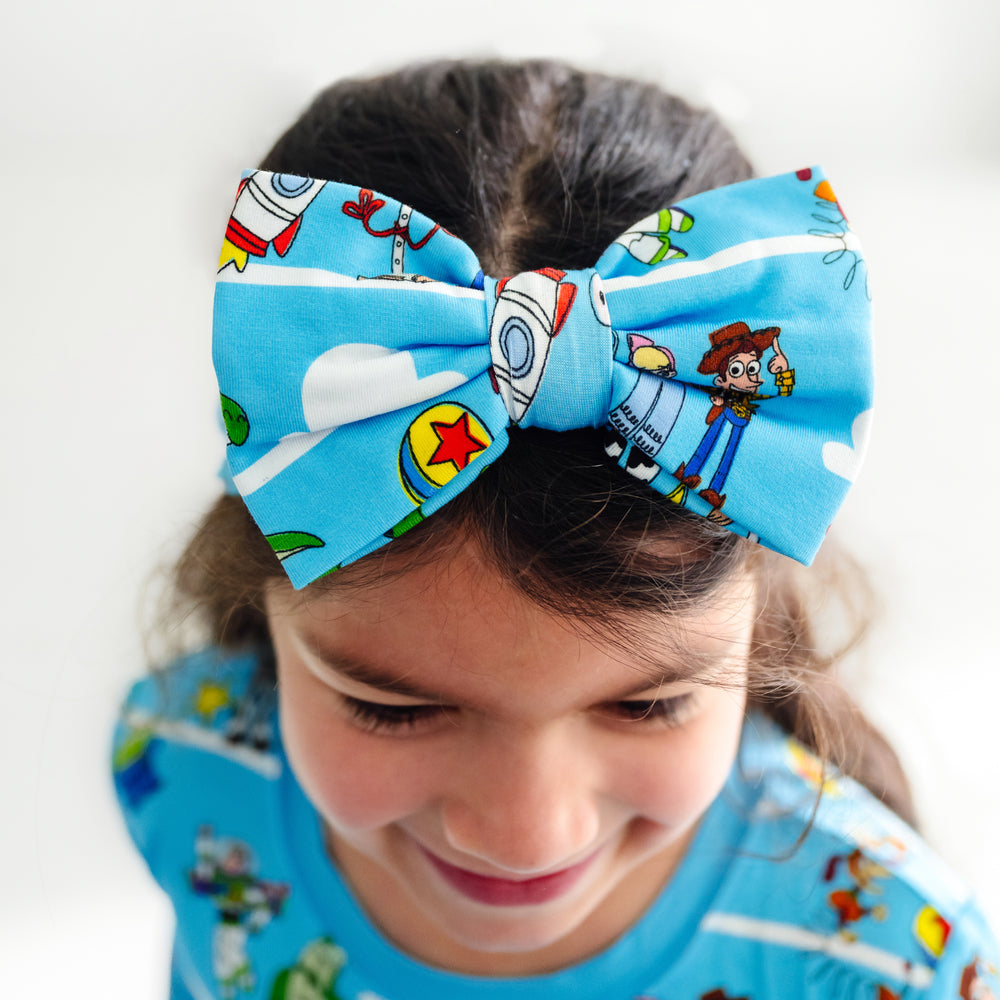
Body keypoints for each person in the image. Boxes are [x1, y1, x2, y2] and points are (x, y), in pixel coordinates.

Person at [113, 59, 999, 1000]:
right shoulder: (184, 766)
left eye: (648, 705)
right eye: (394, 710)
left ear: (758, 615)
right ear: (261, 588)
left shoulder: (890, 957)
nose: (525, 835)